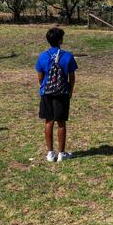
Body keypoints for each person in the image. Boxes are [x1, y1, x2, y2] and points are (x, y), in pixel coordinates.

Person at [35, 27, 78, 162]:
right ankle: (61, 153)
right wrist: (70, 90)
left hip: (47, 92)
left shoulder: (43, 56)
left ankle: (50, 153)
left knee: (49, 121)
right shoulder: (68, 56)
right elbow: (72, 77)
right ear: (60, 40)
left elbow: (40, 76)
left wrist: (44, 88)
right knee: (61, 123)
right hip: (62, 92)